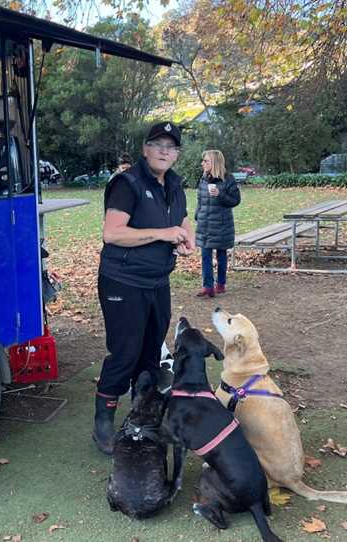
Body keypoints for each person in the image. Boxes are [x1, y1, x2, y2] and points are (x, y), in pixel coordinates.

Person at [93, 121, 193, 455]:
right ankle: (103, 424)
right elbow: (113, 233)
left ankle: (143, 414)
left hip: (157, 280)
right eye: (158, 144)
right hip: (123, 280)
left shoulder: (175, 185)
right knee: (126, 353)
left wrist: (185, 237)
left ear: (177, 154)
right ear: (145, 149)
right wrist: (163, 234)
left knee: (152, 352)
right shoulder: (128, 183)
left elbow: (183, 220)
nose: (165, 151)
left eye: (172, 146)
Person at [195, 149, 241, 298]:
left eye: (206, 161)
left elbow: (235, 201)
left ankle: (220, 284)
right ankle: (208, 287)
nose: (203, 163)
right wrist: (197, 215)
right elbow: (200, 200)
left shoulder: (228, 179)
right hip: (205, 224)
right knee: (205, 255)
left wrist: (220, 195)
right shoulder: (203, 179)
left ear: (214, 162)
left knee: (221, 256)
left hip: (222, 224)